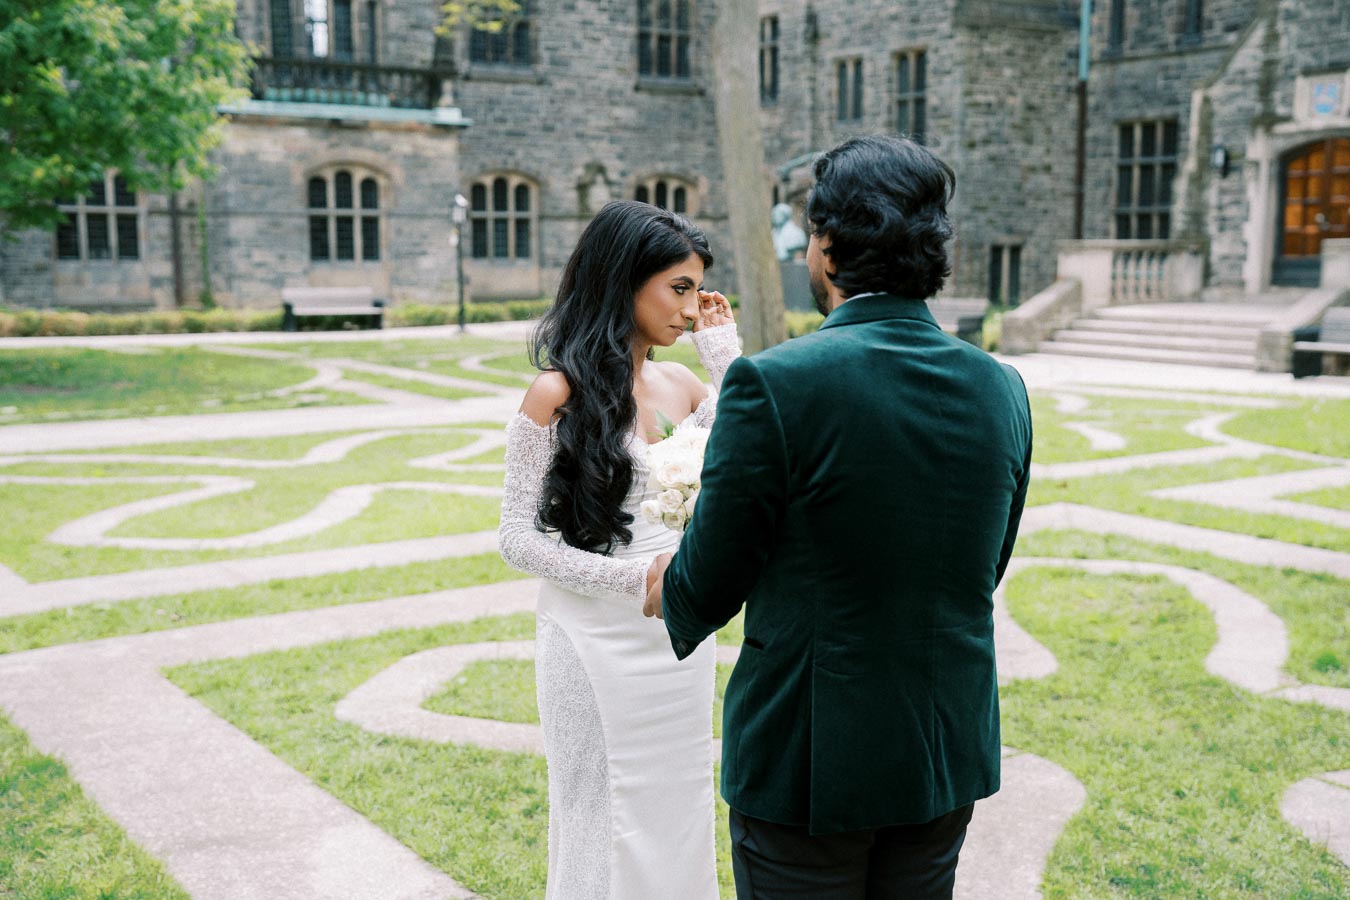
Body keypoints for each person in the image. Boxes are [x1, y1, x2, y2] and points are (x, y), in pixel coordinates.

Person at [644, 135, 1033, 898]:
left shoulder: (775, 383)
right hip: (943, 745)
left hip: (809, 758)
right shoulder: (1002, 386)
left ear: (825, 248)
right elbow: (985, 564)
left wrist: (667, 575)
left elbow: (709, 584)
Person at [498, 200, 739, 898]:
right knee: (597, 812)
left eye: (698, 290)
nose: (692, 309)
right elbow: (516, 540)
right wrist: (636, 578)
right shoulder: (553, 395)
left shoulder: (683, 385)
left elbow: (741, 454)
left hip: (677, 641)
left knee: (681, 804)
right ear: (622, 281)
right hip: (591, 639)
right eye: (678, 288)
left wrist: (725, 362)